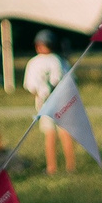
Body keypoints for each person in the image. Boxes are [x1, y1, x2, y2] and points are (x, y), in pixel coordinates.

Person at [21, 31, 74, 173]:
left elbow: (31, 87)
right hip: (62, 102)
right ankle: (70, 166)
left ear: (38, 45)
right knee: (65, 133)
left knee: (50, 134)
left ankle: (52, 168)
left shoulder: (33, 62)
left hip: (45, 104)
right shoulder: (60, 60)